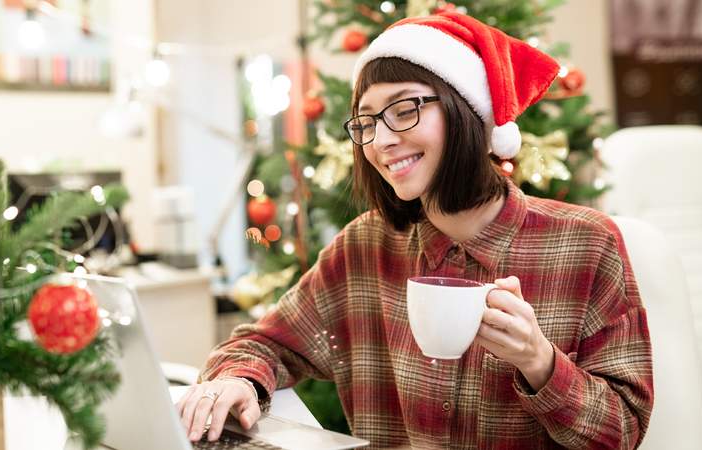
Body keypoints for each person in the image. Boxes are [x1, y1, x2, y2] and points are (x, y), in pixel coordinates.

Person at [178, 9, 654, 449]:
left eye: (404, 109)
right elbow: (264, 342)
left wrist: (539, 363)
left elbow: (623, 431)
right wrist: (238, 379)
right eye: (366, 121)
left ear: (465, 112)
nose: (382, 140)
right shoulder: (366, 246)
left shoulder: (586, 243)